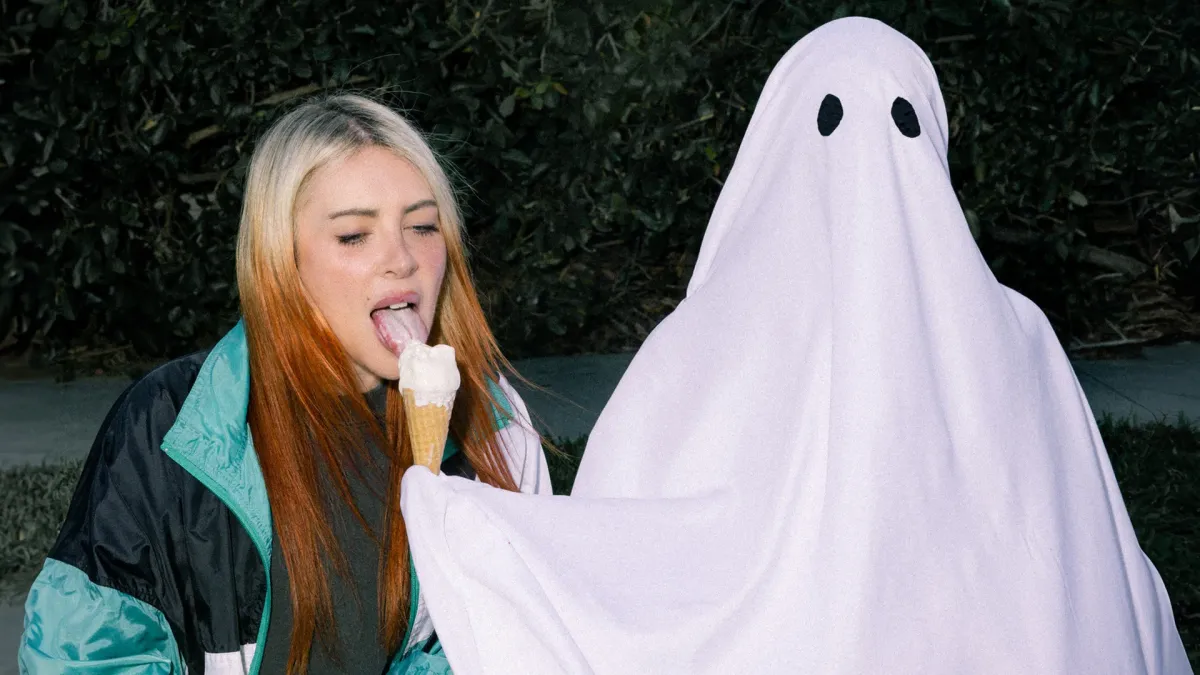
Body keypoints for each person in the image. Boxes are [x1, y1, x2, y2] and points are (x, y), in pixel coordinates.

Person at [398, 17, 1192, 674]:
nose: (866, 169)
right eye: (833, 121)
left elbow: (622, 561)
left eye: (898, 124)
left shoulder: (700, 344)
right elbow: (1101, 581)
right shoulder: (1016, 335)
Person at [18, 94, 552, 674]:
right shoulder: (173, 423)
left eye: (422, 226)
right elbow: (88, 655)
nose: (402, 259)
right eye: (354, 235)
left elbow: (519, 643)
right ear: (282, 260)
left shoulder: (494, 426)